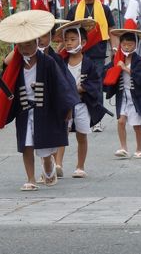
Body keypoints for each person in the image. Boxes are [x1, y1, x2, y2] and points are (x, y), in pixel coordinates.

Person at [0, 10, 80, 191]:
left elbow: (61, 85)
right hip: (25, 110)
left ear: (36, 42)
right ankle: (30, 178)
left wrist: (67, 107)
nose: (25, 48)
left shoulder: (48, 62)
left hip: (45, 110)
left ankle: (48, 166)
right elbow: (4, 85)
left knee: (45, 149)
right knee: (26, 145)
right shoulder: (15, 64)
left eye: (29, 44)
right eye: (21, 45)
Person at [54, 20, 107, 178]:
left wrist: (81, 88)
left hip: (82, 103)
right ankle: (58, 164)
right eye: (66, 40)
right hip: (65, 104)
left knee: (81, 135)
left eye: (72, 39)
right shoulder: (62, 62)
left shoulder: (89, 64)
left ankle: (80, 166)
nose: (69, 43)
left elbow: (95, 83)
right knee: (62, 133)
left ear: (83, 42)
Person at [66, 0, 116, 132]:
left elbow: (111, 30)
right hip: (78, 53)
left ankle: (97, 118)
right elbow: (67, 31)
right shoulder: (74, 9)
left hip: (98, 53)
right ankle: (74, 114)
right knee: (76, 83)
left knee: (97, 84)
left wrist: (115, 49)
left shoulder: (104, 9)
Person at [104, 29, 141, 159]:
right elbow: (107, 72)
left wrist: (125, 68)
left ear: (136, 45)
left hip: (135, 96)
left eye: (130, 44)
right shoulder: (118, 58)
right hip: (122, 94)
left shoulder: (139, 61)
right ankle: (123, 147)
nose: (127, 47)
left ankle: (139, 149)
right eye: (124, 44)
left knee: (136, 125)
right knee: (120, 121)